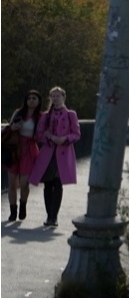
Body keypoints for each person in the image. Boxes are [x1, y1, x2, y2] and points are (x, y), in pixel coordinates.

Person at [28, 87, 80, 228]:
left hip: (63, 153)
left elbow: (76, 134)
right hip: (48, 153)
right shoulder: (46, 115)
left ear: (63, 97)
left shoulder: (71, 114)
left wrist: (64, 138)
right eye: (53, 96)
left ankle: (54, 217)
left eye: (58, 96)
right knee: (48, 184)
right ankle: (49, 216)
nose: (55, 98)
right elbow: (39, 134)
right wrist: (50, 137)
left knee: (58, 184)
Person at [3, 90, 43, 221]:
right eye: (29, 98)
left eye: (34, 98)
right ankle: (13, 211)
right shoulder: (18, 112)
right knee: (12, 183)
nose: (31, 100)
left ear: (38, 101)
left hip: (30, 149)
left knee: (25, 183)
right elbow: (8, 128)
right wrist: (13, 127)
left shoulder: (40, 117)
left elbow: (42, 134)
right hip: (15, 148)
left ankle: (23, 204)